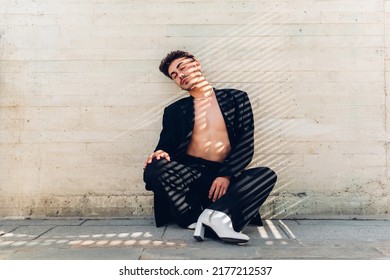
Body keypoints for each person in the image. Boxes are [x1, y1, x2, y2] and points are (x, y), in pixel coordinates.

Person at [143, 50, 277, 243]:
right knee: (154, 168)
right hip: (191, 176)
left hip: (225, 175)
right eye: (174, 75)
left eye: (182, 68)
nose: (180, 75)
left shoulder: (236, 98)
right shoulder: (174, 111)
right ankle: (196, 218)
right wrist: (160, 152)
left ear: (196, 64)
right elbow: (165, 146)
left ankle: (216, 217)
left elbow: (246, 143)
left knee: (265, 174)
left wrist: (226, 174)